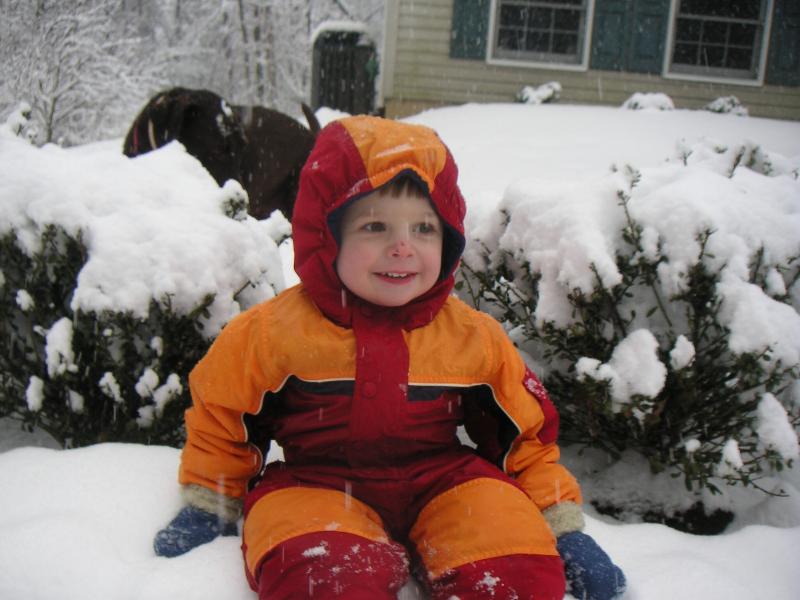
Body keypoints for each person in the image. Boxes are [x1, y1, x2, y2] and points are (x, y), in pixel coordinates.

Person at [153, 116, 626, 600]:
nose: (402, 247)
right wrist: (211, 496)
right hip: (316, 486)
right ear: (326, 235)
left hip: (445, 482)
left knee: (512, 568)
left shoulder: (472, 337)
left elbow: (525, 438)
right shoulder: (272, 334)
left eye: (424, 228)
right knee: (321, 577)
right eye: (375, 226)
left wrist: (561, 524)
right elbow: (222, 417)